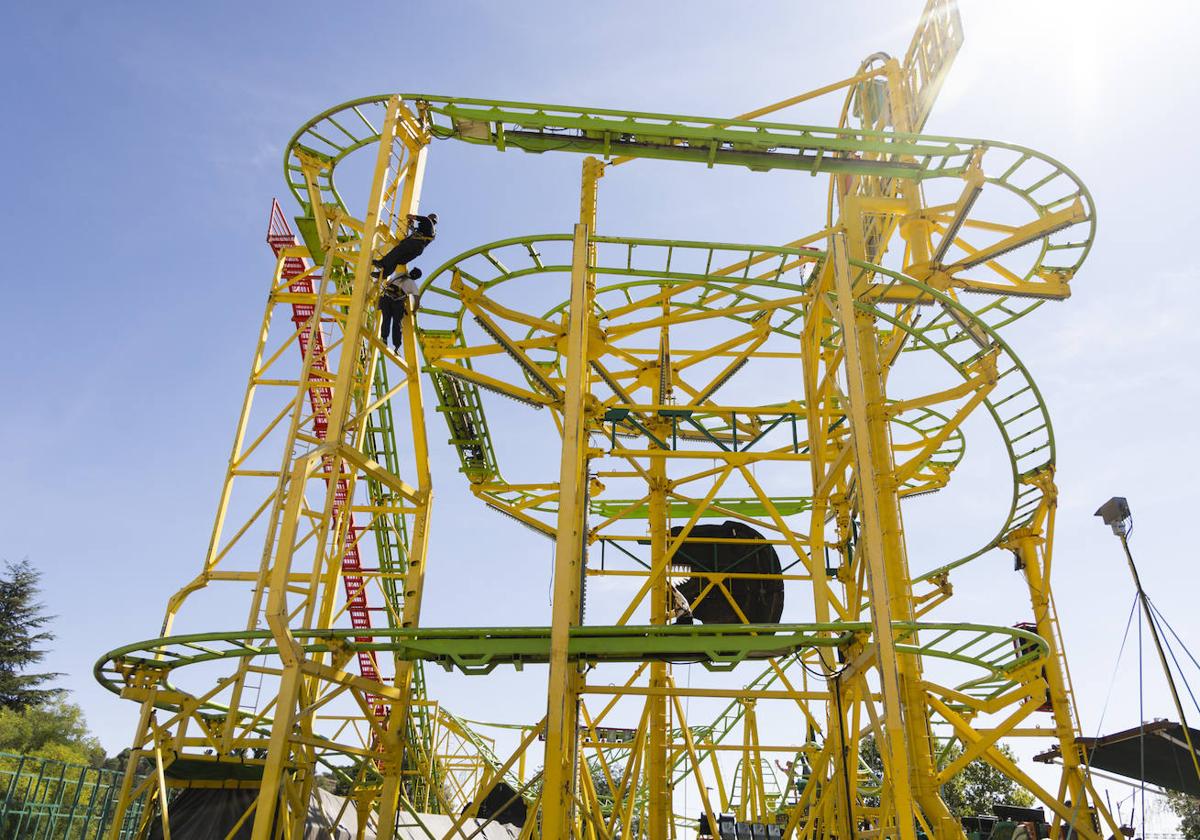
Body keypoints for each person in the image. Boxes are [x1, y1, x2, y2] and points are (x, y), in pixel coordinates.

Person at [372, 212, 438, 279]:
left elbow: (414, 217)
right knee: (397, 260)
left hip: (414, 244)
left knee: (396, 251)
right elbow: (418, 233)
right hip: (418, 250)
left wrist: (410, 217)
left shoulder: (427, 220)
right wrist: (412, 225)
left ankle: (382, 263)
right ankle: (384, 274)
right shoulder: (432, 232)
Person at [378, 267, 422, 352]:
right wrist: (414, 311)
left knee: (386, 319)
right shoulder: (412, 284)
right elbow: (417, 301)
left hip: (386, 299)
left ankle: (384, 338)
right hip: (397, 303)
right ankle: (397, 346)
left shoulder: (399, 275)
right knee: (397, 324)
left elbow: (387, 283)